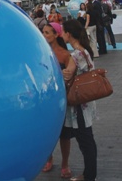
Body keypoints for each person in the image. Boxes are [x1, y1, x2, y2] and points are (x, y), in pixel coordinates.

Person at [61, 20, 98, 181]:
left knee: (86, 142)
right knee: (86, 140)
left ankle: (89, 176)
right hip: (85, 103)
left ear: (69, 34)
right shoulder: (84, 51)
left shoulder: (76, 55)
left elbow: (67, 75)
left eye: (63, 32)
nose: (62, 34)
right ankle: (89, 173)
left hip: (79, 106)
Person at [41, 23, 73, 177]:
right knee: (47, 132)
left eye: (47, 32)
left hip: (61, 98)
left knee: (64, 134)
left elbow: (71, 77)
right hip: (46, 99)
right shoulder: (40, 52)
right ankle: (49, 158)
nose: (44, 35)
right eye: (43, 32)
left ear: (56, 34)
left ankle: (65, 164)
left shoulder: (65, 54)